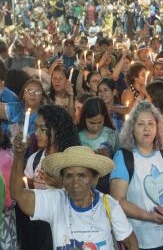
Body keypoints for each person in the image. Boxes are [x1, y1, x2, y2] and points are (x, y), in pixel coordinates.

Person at [10, 140, 139, 249]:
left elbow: (131, 243)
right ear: (63, 179)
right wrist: (19, 155)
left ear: (94, 178)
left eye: (82, 176)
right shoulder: (55, 201)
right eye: (69, 176)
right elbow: (17, 194)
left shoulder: (109, 206)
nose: (75, 184)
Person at [110, 101, 163, 250]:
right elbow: (117, 200)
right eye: (141, 124)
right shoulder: (124, 157)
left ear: (158, 128)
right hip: (136, 241)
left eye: (151, 124)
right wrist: (148, 216)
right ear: (132, 128)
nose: (146, 128)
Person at [20, 105, 81, 250]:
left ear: (57, 130)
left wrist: (61, 185)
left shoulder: (72, 159)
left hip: (66, 225)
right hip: (37, 227)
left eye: (43, 129)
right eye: (36, 128)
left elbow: (85, 195)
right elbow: (27, 190)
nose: (37, 133)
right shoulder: (35, 159)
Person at [77, 97, 121, 193]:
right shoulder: (78, 137)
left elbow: (119, 160)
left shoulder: (111, 135)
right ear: (84, 118)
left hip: (108, 186)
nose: (96, 127)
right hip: (83, 187)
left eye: (100, 122)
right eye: (91, 123)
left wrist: (110, 157)